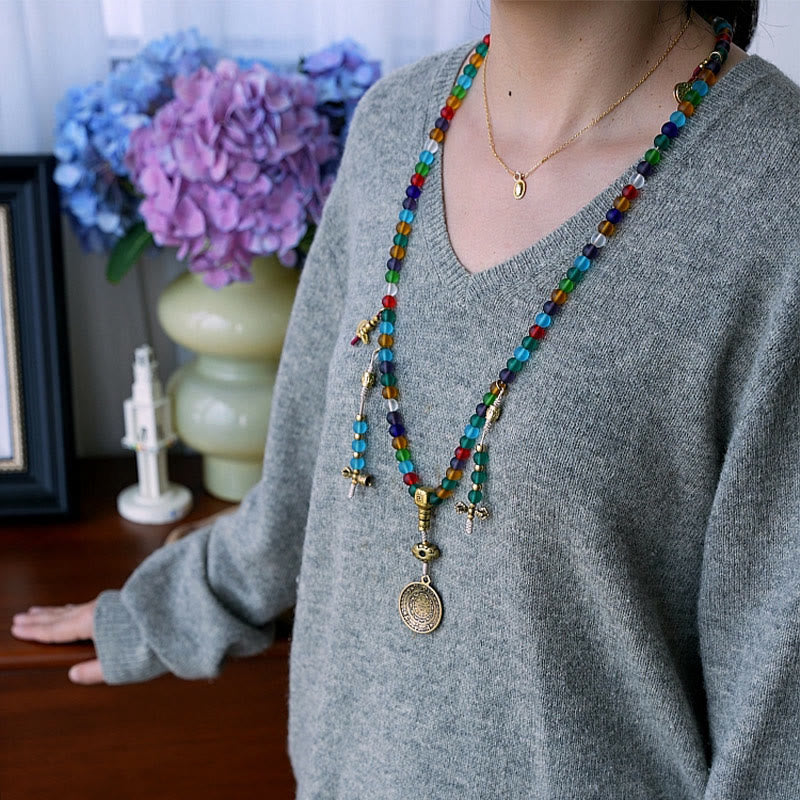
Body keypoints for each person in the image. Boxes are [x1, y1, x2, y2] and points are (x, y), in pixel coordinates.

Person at [12, 2, 800, 797]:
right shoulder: (395, 125)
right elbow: (303, 496)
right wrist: (164, 610)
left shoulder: (775, 197)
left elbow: (778, 726)